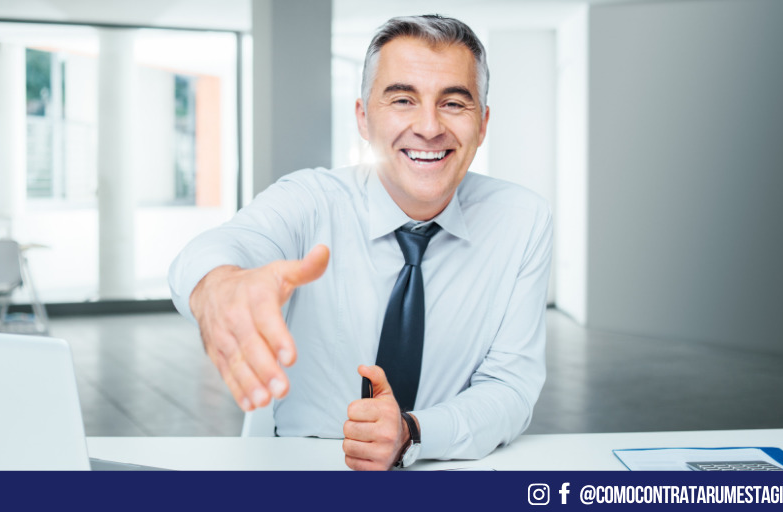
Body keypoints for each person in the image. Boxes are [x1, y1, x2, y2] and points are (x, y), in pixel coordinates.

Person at [169, 14, 552, 471]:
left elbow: (511, 387)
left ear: (483, 123)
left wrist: (412, 432)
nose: (429, 127)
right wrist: (218, 285)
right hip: (301, 467)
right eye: (403, 99)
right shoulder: (311, 200)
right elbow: (228, 244)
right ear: (363, 118)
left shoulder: (522, 220)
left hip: (443, 468)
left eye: (453, 103)